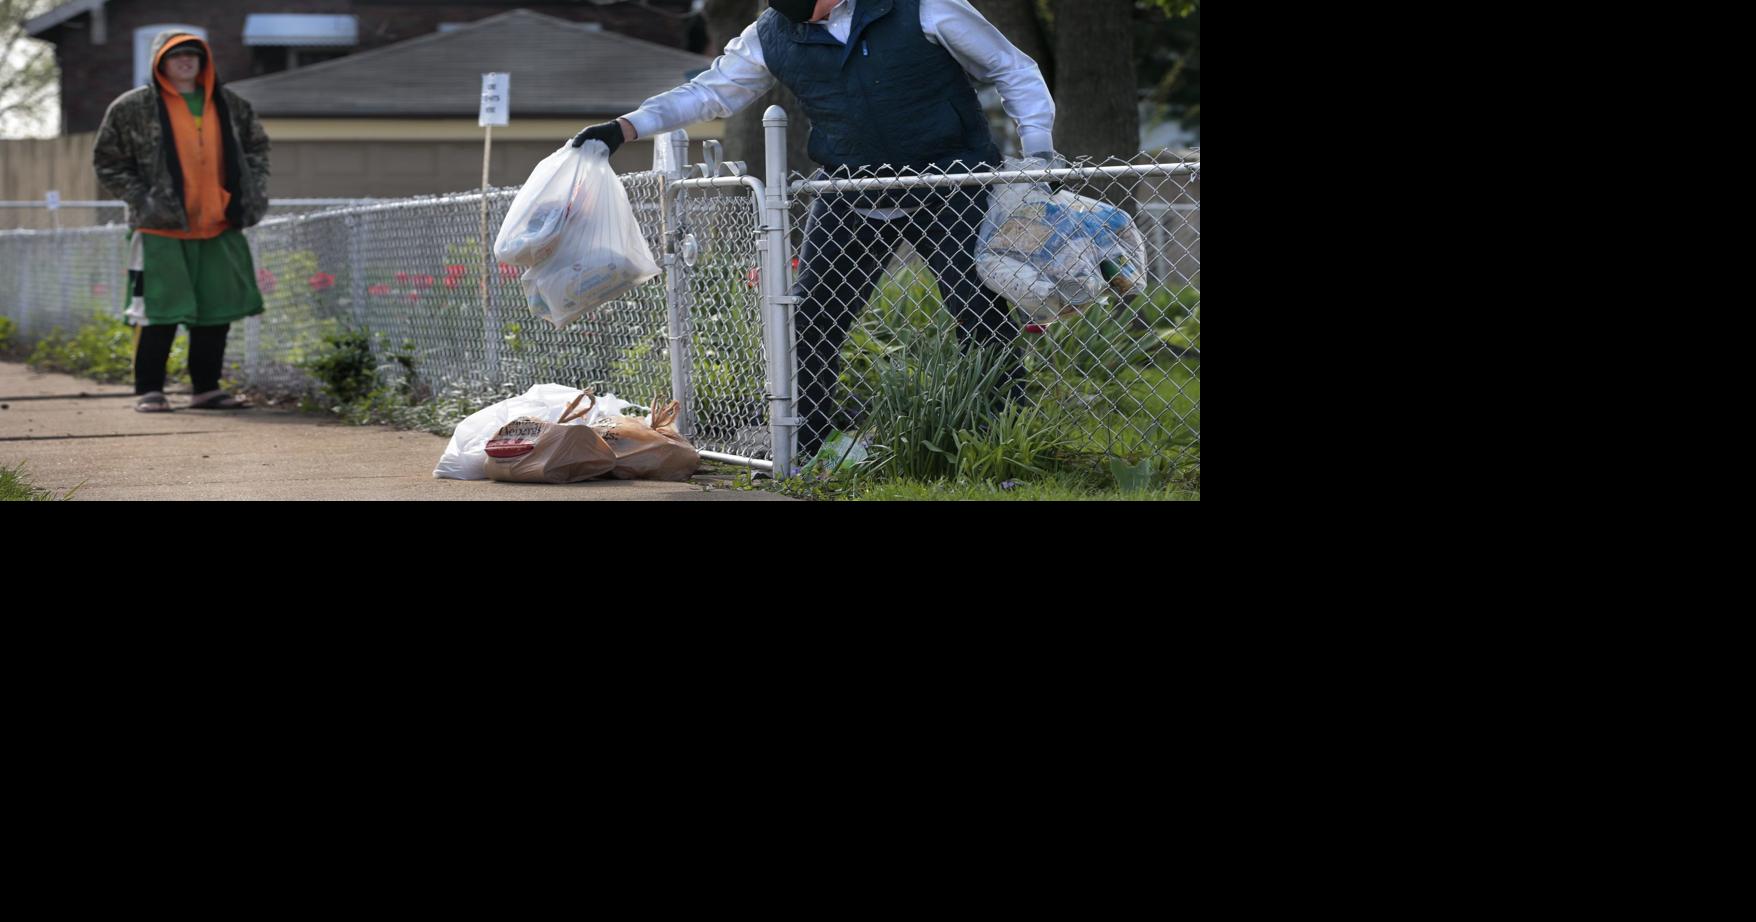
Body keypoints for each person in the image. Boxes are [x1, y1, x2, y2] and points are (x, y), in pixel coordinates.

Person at [571, 0, 1057, 458]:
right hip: (850, 187)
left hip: (953, 181)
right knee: (810, 316)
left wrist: (1037, 154)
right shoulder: (771, 34)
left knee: (977, 308)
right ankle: (809, 440)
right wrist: (625, 127)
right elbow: (710, 91)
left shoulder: (922, 7)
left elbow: (1010, 67)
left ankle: (1001, 436)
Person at [92, 31, 271, 413]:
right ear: (160, 62)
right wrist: (144, 200)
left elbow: (258, 148)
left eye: (193, 54)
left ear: (204, 61)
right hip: (160, 228)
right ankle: (149, 390)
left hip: (219, 225)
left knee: (215, 311)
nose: (186, 61)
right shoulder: (132, 107)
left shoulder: (231, 105)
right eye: (177, 56)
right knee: (159, 312)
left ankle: (206, 389)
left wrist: (251, 192)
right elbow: (107, 161)